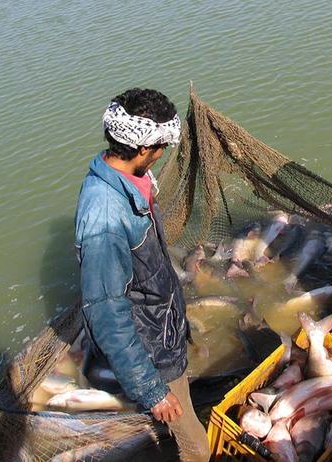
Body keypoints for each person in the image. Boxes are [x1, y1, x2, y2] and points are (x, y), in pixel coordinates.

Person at [74, 88, 210, 461]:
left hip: (162, 324)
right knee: (197, 448)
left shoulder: (133, 178)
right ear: (143, 149)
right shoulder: (103, 217)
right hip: (149, 343)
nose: (163, 154)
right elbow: (105, 312)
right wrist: (152, 390)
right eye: (160, 146)